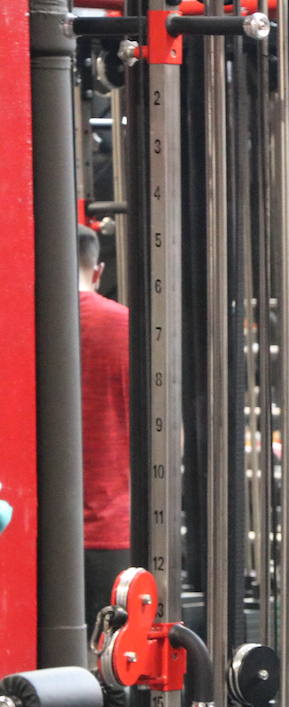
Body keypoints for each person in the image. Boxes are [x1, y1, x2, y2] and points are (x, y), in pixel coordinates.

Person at [77, 224, 131, 630]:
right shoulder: (125, 325)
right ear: (98, 270)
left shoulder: (18, 324)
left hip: (27, 529)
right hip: (112, 529)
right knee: (110, 665)